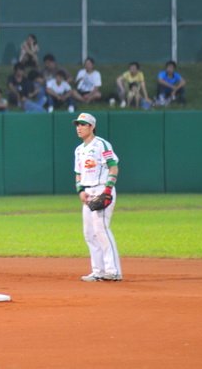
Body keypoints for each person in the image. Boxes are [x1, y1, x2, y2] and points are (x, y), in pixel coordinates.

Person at [73, 112, 122, 283]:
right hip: (88, 192)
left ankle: (113, 271)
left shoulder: (101, 144)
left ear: (91, 127)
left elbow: (113, 167)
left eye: (82, 124)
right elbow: (78, 174)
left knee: (101, 229)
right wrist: (80, 191)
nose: (79, 127)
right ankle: (98, 271)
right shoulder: (79, 150)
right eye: (77, 124)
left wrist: (108, 189)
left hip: (102, 188)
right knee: (89, 233)